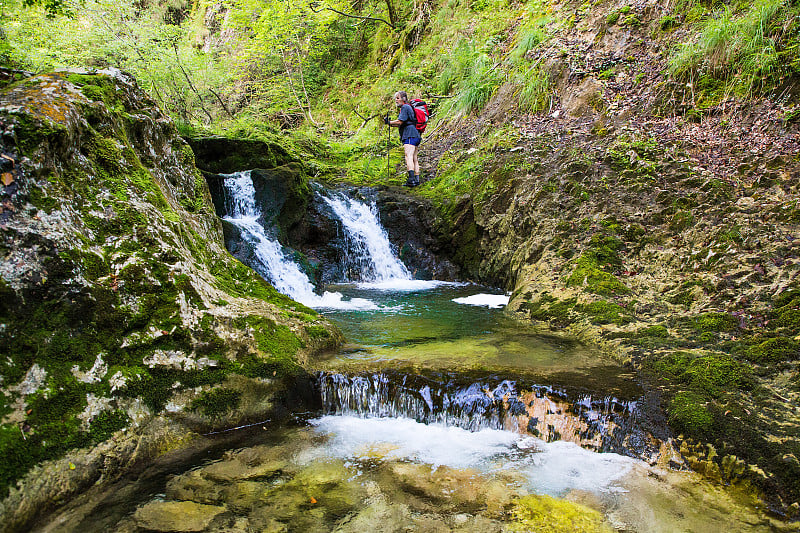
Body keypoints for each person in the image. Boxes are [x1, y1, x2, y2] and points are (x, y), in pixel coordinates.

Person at [385, 91, 421, 187]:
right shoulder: (409, 107)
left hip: (409, 135)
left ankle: (411, 180)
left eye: (398, 98)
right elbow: (402, 123)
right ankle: (416, 180)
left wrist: (389, 122)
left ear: (404, 99)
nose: (396, 100)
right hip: (416, 134)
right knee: (414, 158)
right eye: (395, 98)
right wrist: (391, 123)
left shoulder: (405, 107)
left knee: (408, 156)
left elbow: (400, 122)